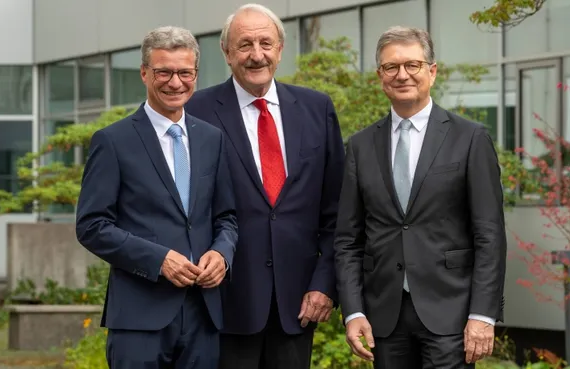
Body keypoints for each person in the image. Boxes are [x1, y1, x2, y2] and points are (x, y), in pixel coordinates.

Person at [333, 26, 507, 369]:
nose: (402, 75)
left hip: (452, 314)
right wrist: (353, 311)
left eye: (412, 65)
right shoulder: (360, 146)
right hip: (384, 315)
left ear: (432, 70)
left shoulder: (470, 139)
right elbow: (347, 240)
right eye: (391, 67)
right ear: (380, 76)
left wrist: (483, 314)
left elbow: (490, 234)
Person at [184, 4, 345, 368]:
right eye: (244, 45)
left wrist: (325, 283)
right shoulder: (196, 111)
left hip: (298, 302)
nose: (256, 55)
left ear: (280, 49)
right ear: (226, 53)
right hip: (223, 301)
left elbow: (338, 211)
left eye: (265, 43)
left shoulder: (317, 108)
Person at [75, 26, 238, 369]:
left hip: (203, 315)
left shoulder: (212, 139)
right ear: (144, 73)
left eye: (184, 72)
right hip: (138, 318)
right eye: (164, 72)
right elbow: (91, 225)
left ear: (195, 73)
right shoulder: (113, 141)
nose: (175, 83)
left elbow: (227, 217)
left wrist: (222, 254)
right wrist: (158, 259)